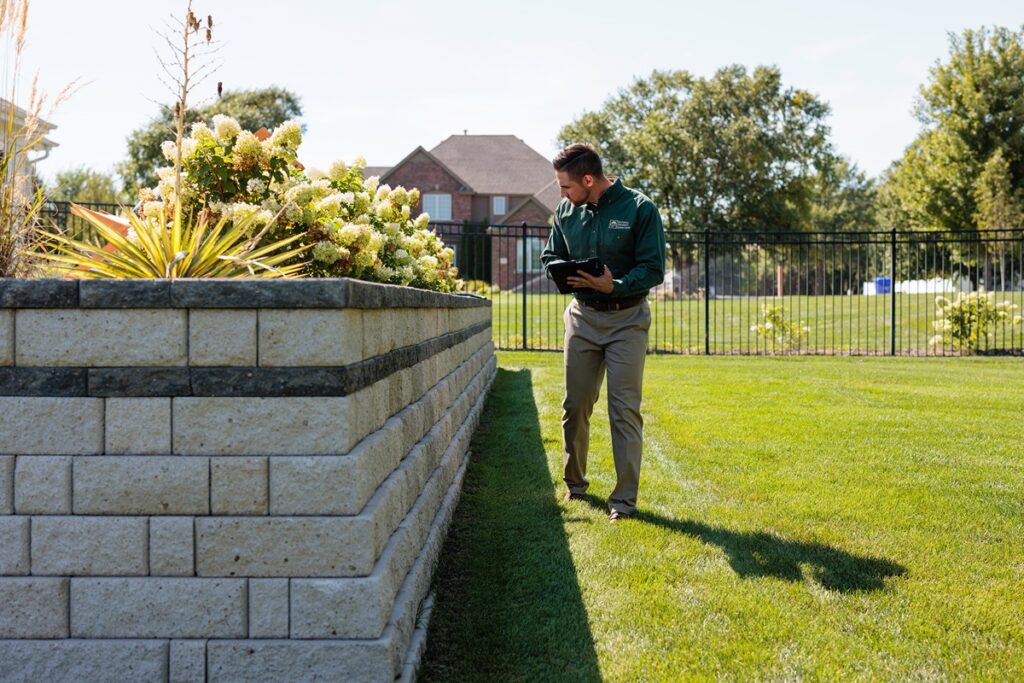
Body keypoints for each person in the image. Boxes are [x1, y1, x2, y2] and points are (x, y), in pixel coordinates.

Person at [541, 143, 666, 521]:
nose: (561, 195)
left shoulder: (641, 209)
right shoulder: (566, 211)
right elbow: (550, 256)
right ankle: (575, 487)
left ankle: (623, 503)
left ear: (589, 180)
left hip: (627, 320)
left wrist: (617, 285)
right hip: (581, 317)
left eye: (566, 187)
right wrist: (563, 271)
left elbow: (654, 268)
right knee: (574, 406)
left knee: (623, 410)